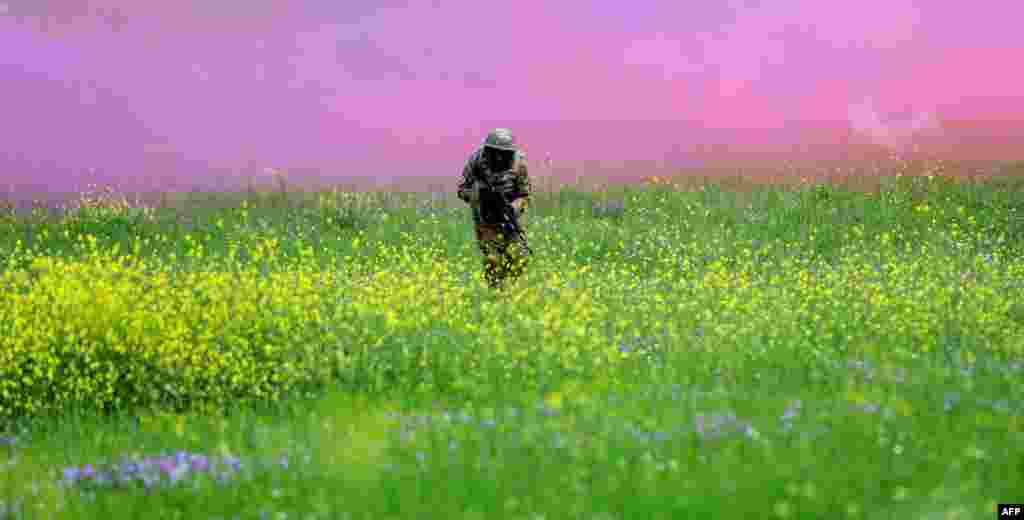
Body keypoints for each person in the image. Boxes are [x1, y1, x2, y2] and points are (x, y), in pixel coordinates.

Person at [457, 128, 532, 289]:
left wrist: (512, 208)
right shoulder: (477, 159)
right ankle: (495, 290)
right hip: (486, 220)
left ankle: (508, 287)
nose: (498, 157)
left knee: (520, 258)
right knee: (493, 259)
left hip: (510, 218)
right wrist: (478, 196)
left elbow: (525, 195)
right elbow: (462, 189)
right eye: (494, 152)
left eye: (503, 153)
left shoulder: (519, 163)